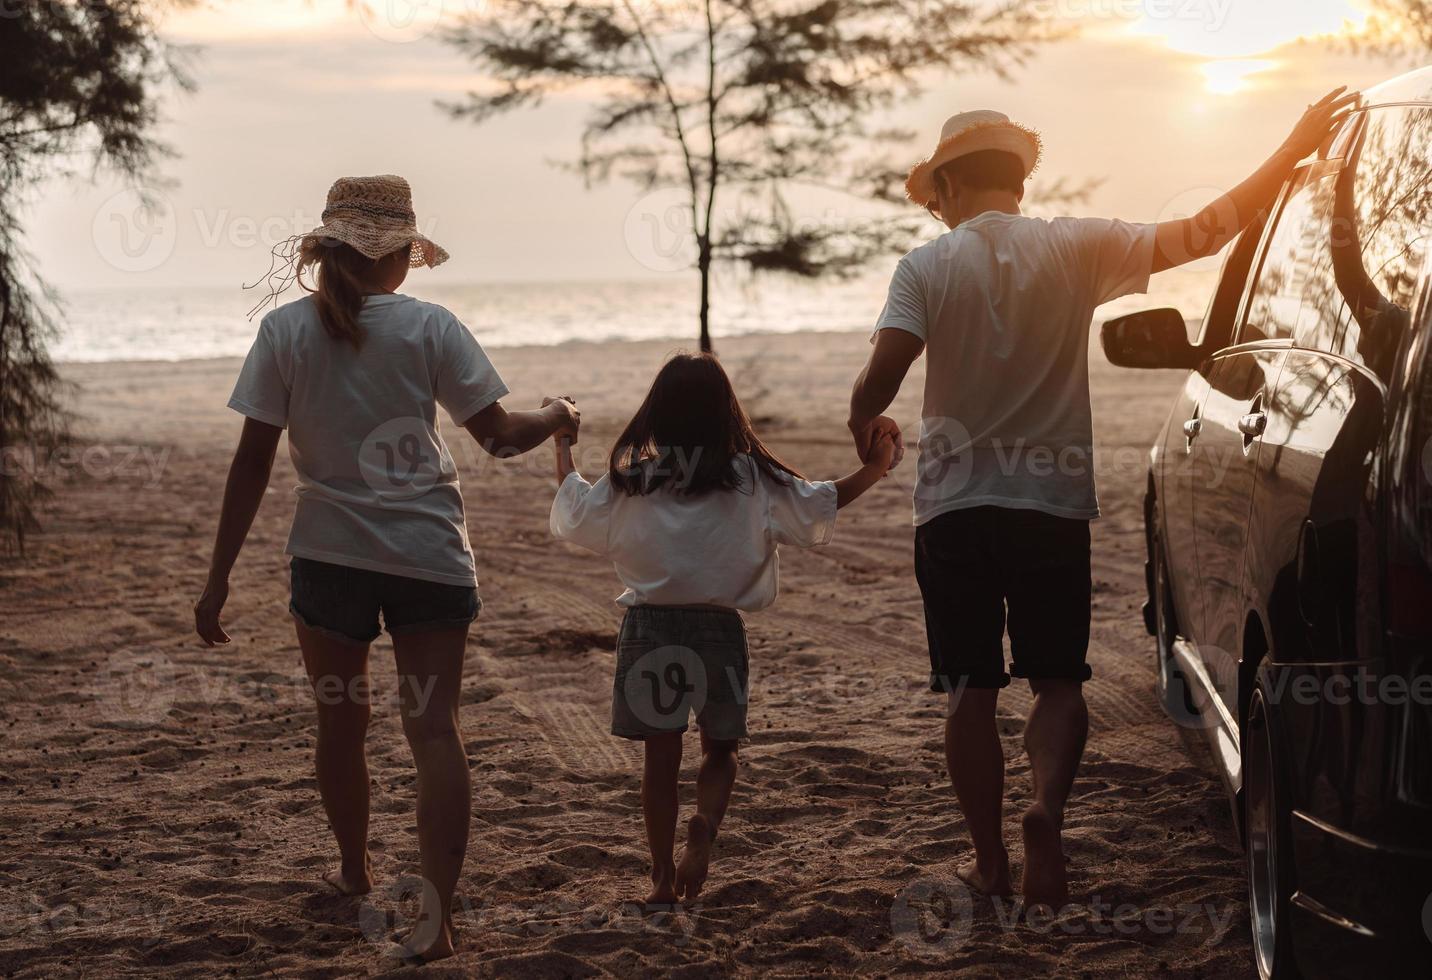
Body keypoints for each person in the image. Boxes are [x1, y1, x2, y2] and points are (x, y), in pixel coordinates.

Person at [847, 91, 1357, 907]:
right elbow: (1208, 230)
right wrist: (1291, 146)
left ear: (946, 190)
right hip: (1050, 508)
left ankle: (989, 860)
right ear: (1017, 180)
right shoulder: (1077, 248)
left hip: (955, 510)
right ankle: (1044, 811)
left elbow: (885, 375)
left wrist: (858, 415)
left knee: (969, 693)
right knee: (1058, 683)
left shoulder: (925, 266)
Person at [191, 175, 579, 963]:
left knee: (342, 722)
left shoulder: (285, 332)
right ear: (402, 256)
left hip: (329, 560)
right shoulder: (431, 327)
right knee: (434, 730)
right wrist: (559, 415)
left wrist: (219, 574)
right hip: (429, 558)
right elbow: (500, 438)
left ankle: (353, 868)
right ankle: (437, 924)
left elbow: (251, 465)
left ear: (329, 250)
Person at [549, 352, 897, 906]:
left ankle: (662, 879)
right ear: (725, 412)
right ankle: (705, 825)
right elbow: (822, 500)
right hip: (717, 631)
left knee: (659, 759)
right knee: (720, 750)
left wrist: (563, 440)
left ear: (656, 414)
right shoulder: (751, 477)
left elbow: (573, 507)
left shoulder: (634, 478)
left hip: (649, 628)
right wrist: (877, 467)